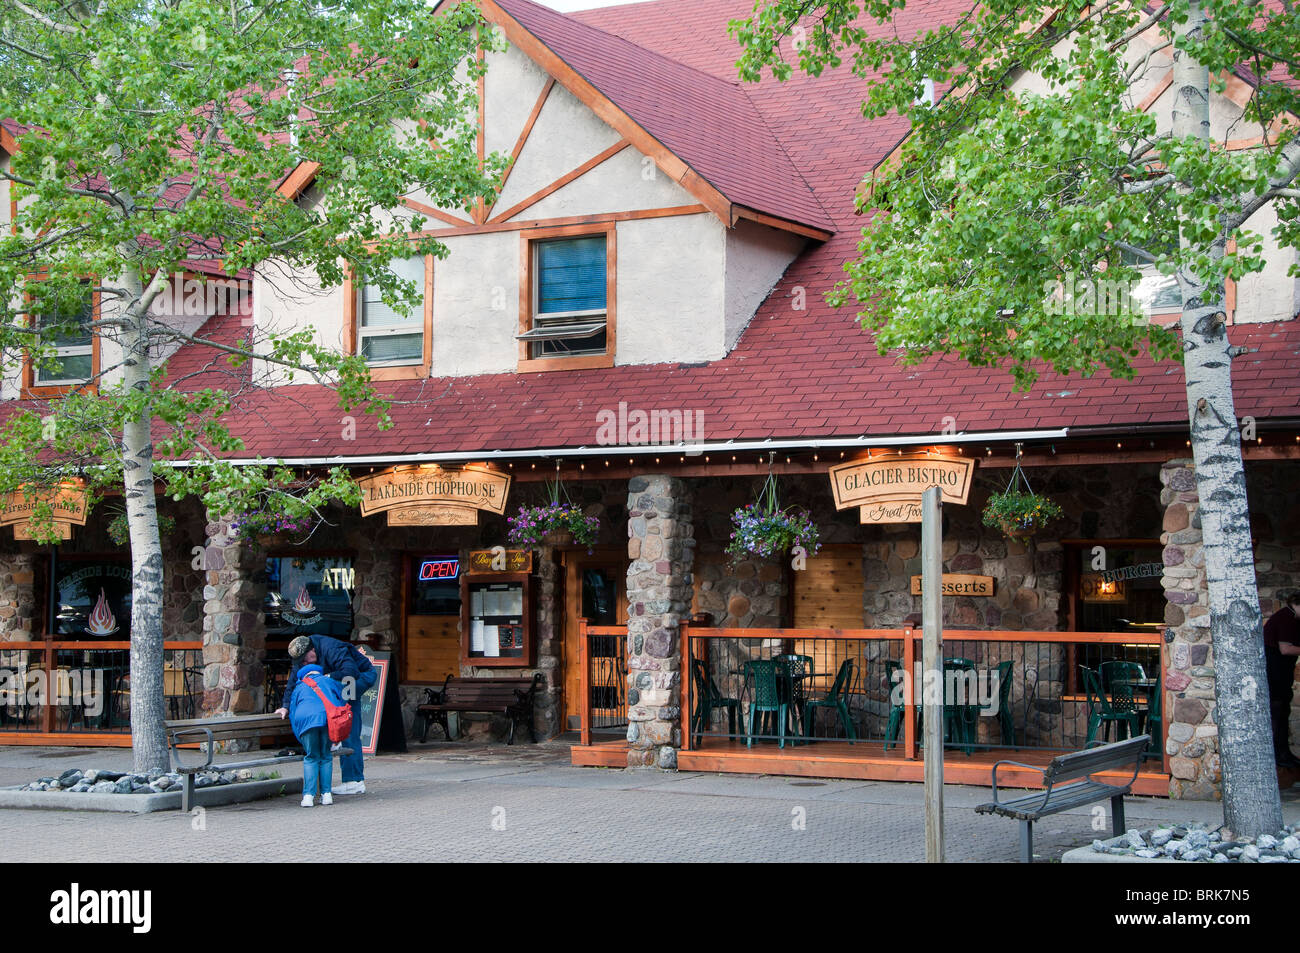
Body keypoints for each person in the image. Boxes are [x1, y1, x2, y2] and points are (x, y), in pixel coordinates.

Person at [275, 634, 378, 794]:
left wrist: (325, 677)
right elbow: (295, 680)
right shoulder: (303, 657)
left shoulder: (331, 648)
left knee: (346, 720)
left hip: (360, 676)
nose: (305, 663)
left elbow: (351, 672)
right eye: (301, 662)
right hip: (339, 678)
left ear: (312, 649)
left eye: (306, 659)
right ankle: (332, 737)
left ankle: (354, 781)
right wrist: (285, 706)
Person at [287, 661, 346, 807]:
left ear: (304, 676)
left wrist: (300, 736)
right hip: (328, 721)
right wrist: (338, 735)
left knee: (311, 757)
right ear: (318, 672)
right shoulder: (330, 682)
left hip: (307, 723)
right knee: (325, 756)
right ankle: (327, 795)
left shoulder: (299, 687)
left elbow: (293, 714)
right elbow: (341, 703)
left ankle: (308, 796)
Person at [1263, 591, 1300, 769]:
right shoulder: (1287, 618)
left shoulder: (1290, 617)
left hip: (1281, 671)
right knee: (1278, 710)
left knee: (1283, 710)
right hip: (1274, 670)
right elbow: (1285, 649)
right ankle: (1279, 755)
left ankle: (1284, 753)